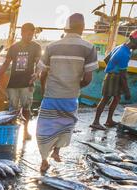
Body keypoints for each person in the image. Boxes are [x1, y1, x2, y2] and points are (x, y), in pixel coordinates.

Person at [36, 13, 98, 173]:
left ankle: (44, 160)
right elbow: (88, 78)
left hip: (51, 96)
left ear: (66, 27)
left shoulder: (51, 47)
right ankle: (57, 151)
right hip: (70, 97)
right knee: (65, 126)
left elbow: (42, 74)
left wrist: (44, 90)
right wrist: (74, 87)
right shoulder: (89, 48)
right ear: (82, 28)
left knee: (45, 129)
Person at [0, 23, 41, 140]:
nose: (30, 36)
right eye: (27, 34)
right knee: (12, 110)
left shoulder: (36, 47)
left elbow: (39, 64)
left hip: (28, 83)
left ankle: (25, 131)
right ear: (22, 33)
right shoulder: (14, 47)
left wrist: (37, 73)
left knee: (26, 108)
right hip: (13, 84)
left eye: (32, 34)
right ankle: (12, 133)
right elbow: (6, 64)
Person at [90, 28, 137, 130]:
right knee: (105, 99)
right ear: (133, 40)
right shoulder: (124, 54)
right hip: (114, 78)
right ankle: (95, 122)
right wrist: (127, 91)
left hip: (114, 75)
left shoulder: (120, 47)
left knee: (116, 98)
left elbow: (106, 59)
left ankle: (109, 120)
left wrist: (112, 67)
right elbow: (123, 76)